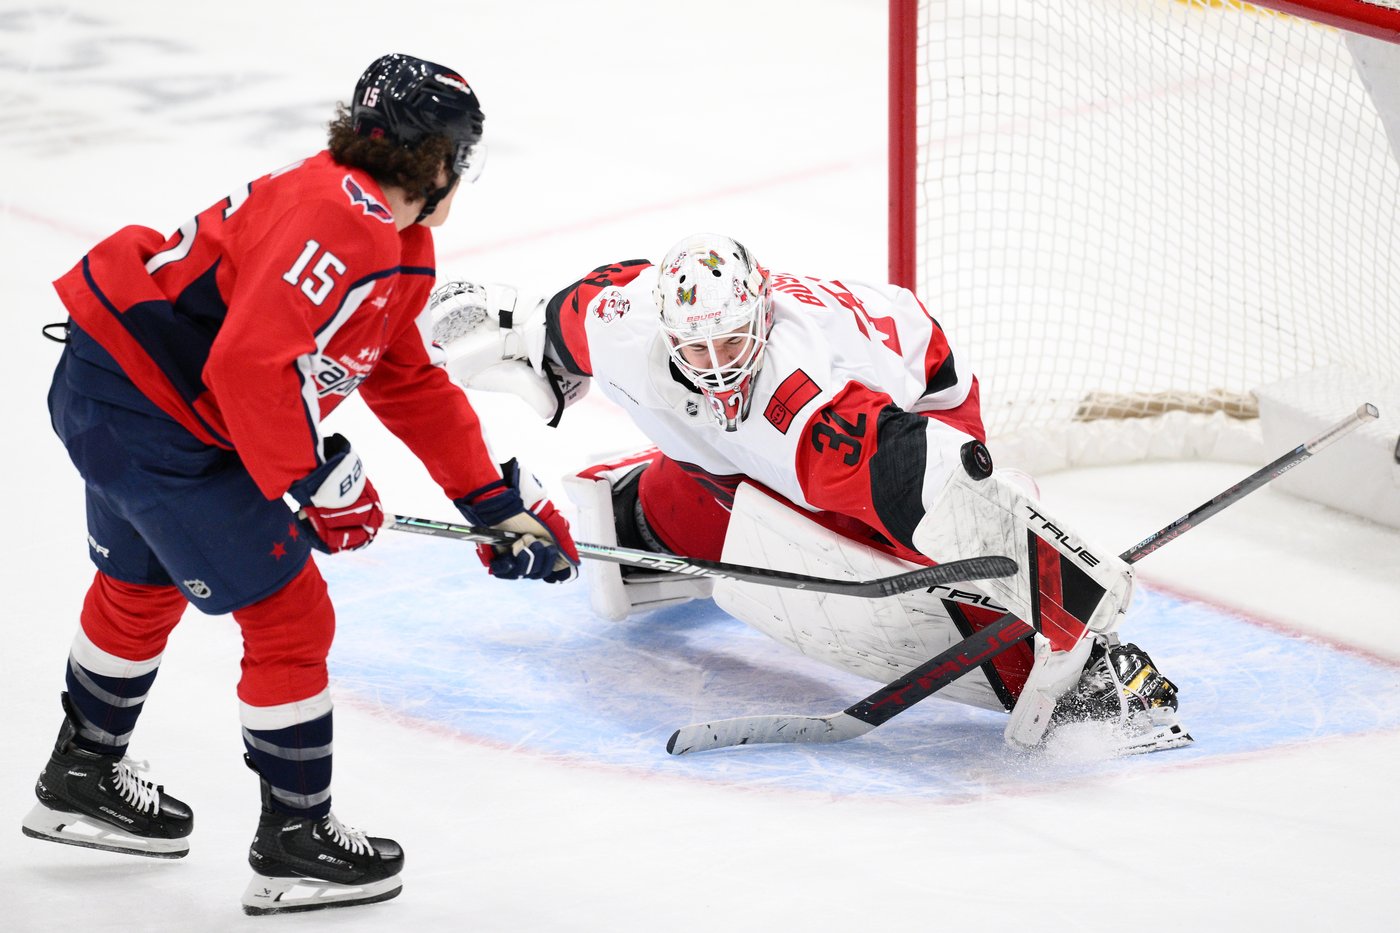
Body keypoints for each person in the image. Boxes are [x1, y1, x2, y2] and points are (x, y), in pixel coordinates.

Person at [23, 53, 578, 916]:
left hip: (116, 386)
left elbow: (404, 379)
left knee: (139, 583)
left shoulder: (386, 233)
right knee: (290, 612)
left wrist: (493, 503)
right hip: (155, 412)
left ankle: (82, 773)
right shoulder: (345, 222)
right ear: (438, 163)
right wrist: (313, 481)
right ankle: (297, 839)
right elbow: (248, 368)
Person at [427, 232, 1190, 755]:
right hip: (777, 434)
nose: (718, 364)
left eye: (733, 341)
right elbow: (557, 317)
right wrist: (484, 328)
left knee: (887, 536)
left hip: (919, 400)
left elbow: (938, 482)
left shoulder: (805, 404)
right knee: (717, 470)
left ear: (759, 314)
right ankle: (649, 516)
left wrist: (1065, 588)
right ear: (665, 331)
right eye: (697, 347)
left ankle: (1093, 678)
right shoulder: (622, 321)